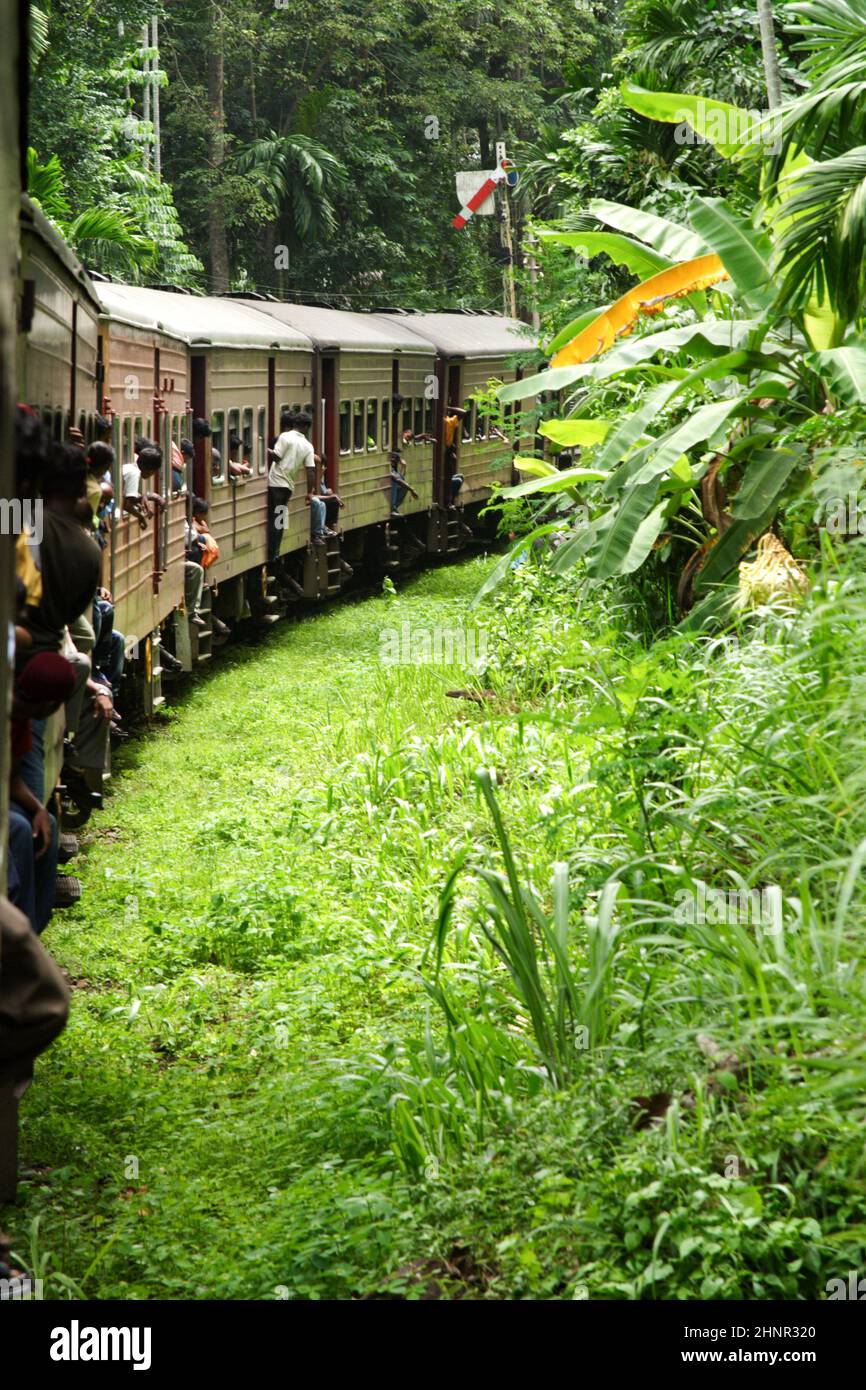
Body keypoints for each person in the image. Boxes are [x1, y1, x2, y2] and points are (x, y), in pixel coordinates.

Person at [8, 653, 76, 934]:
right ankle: (17, 931)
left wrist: (38, 809)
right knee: (19, 829)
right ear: (50, 705)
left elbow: (9, 776)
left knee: (45, 823)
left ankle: (33, 928)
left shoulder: (20, 718)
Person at [267, 409, 323, 557]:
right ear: (306, 427)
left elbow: (277, 457)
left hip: (276, 483)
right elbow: (311, 470)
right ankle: (278, 547)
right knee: (281, 516)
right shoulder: (307, 445)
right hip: (288, 486)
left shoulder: (285, 437)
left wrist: (268, 450)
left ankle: (274, 551)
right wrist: (310, 492)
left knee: (275, 518)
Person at [122, 441, 164, 528]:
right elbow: (127, 505)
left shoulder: (130, 468)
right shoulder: (134, 474)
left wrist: (142, 498)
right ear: (151, 470)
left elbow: (128, 496)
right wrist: (140, 517)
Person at [388, 450, 419, 515]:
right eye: (392, 461)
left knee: (404, 486)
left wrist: (404, 467)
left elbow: (400, 478)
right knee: (394, 483)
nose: (393, 463)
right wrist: (412, 490)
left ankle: (395, 507)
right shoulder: (388, 468)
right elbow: (397, 479)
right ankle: (392, 509)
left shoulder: (393, 468)